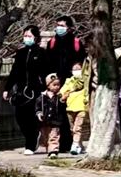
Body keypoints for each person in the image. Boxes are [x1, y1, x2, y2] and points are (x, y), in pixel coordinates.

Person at [4, 26, 48, 154]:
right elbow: (14, 72)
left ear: (36, 37)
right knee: (20, 117)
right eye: (25, 36)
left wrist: (45, 88)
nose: (26, 38)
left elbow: (46, 72)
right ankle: (33, 137)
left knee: (32, 117)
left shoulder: (41, 53)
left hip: (36, 90)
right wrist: (7, 88)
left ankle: (30, 144)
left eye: (29, 36)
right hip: (21, 91)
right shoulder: (21, 53)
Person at [47, 16, 86, 154]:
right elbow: (48, 62)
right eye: (57, 25)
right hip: (57, 83)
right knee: (58, 114)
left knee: (71, 115)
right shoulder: (52, 42)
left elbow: (82, 63)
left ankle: (73, 143)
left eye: (62, 25)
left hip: (72, 85)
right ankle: (59, 144)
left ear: (69, 28)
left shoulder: (76, 43)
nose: (59, 28)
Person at [58, 60, 90, 154]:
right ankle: (80, 146)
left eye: (78, 69)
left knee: (78, 127)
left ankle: (75, 145)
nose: (76, 71)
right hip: (70, 108)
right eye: (74, 69)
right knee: (73, 129)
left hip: (82, 107)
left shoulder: (86, 81)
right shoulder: (69, 81)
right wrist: (62, 97)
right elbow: (62, 92)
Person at [36, 74, 65, 158]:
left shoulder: (59, 96)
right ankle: (45, 145)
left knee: (54, 136)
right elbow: (38, 107)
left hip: (55, 121)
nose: (57, 87)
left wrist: (62, 100)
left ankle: (53, 151)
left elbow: (62, 107)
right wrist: (39, 113)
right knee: (45, 137)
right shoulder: (42, 97)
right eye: (54, 85)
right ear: (48, 85)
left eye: (58, 85)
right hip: (44, 121)